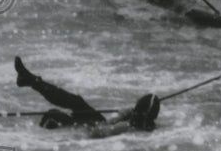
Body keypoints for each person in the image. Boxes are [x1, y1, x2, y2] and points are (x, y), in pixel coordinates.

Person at [14, 56, 160, 137]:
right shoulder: (144, 125)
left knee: (54, 114)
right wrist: (123, 116)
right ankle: (31, 80)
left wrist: (120, 117)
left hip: (91, 130)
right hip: (97, 125)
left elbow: (101, 131)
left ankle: (32, 81)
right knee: (77, 102)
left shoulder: (126, 127)